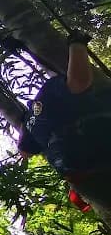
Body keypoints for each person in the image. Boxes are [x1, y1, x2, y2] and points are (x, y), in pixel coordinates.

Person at [17, 33, 111, 213]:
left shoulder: (31, 121)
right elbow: (79, 82)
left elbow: (24, 151)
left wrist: (24, 124)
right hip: (99, 153)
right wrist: (77, 43)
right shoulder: (49, 91)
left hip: (86, 182)